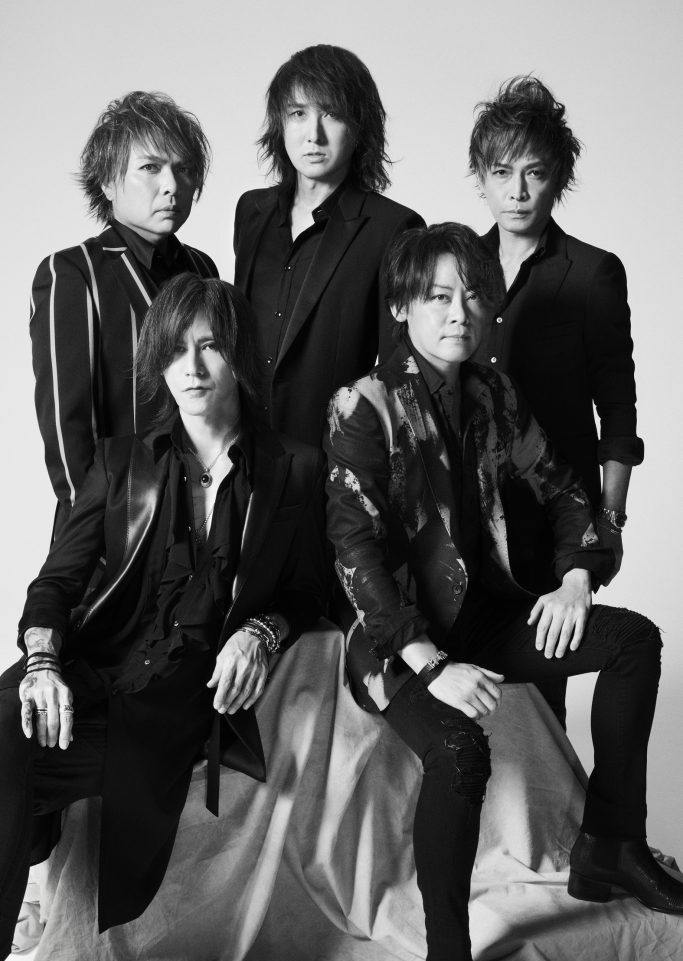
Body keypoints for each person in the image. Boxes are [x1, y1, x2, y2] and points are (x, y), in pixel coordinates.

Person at [324, 224, 681, 961]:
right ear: (401, 307)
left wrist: (576, 576)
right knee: (458, 750)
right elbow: (355, 555)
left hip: (481, 615)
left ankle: (610, 844)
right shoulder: (362, 406)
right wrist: (428, 662)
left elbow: (562, 488)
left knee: (632, 642)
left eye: (473, 295)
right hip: (392, 642)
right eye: (438, 296)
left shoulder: (491, 392)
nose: (460, 311)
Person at [0, 273, 326, 961]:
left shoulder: (294, 467)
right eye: (175, 350)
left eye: (210, 346)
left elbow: (310, 592)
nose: (192, 367)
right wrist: (43, 662)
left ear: (239, 354)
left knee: (9, 755)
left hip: (173, 698)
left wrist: (261, 631)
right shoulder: (120, 462)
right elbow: (54, 584)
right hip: (89, 664)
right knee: (3, 718)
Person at [469, 76, 643, 726]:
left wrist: (609, 523)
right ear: (480, 178)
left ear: (558, 178)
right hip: (465, 527)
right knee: (459, 715)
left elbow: (617, 411)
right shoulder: (456, 269)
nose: (516, 191)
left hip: (552, 530)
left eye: (534, 173)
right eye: (501, 172)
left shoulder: (592, 273)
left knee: (535, 720)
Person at [30, 91, 219, 535]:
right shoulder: (73, 273)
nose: (172, 185)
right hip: (115, 528)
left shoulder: (203, 269)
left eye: (184, 169)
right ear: (108, 183)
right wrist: (98, 534)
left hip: (201, 522)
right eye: (150, 168)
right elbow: (68, 430)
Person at [234, 43, 424, 446]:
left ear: (359, 127)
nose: (313, 135)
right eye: (298, 114)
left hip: (331, 456)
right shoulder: (252, 212)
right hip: (244, 451)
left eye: (332, 114)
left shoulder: (392, 228)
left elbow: (397, 371)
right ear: (280, 123)